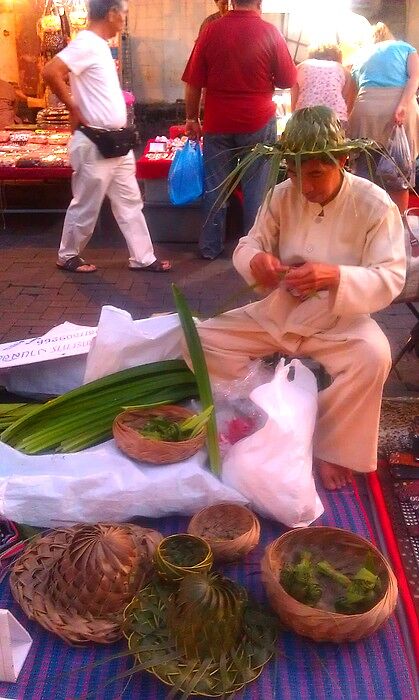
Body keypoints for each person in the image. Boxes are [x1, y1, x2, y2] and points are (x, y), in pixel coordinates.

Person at [186, 107, 406, 490]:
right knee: (199, 340)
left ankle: (332, 447)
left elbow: (391, 276)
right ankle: (266, 408)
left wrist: (335, 275)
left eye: (316, 174)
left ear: (342, 159)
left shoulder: (375, 205)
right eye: (294, 172)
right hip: (279, 310)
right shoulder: (280, 196)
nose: (305, 186)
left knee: (373, 356)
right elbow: (249, 243)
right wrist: (257, 261)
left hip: (339, 319)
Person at [42, 0, 171, 274]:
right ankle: (68, 254)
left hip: (116, 142)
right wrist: (72, 105)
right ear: (111, 13)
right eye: (123, 14)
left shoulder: (98, 45)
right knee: (87, 203)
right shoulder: (86, 43)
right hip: (95, 141)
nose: (124, 20)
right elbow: (50, 71)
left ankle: (143, 257)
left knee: (130, 201)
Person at [182, 0, 296, 260]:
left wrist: (191, 118)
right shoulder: (270, 32)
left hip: (218, 121)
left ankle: (210, 247)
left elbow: (193, 81)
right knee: (257, 187)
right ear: (259, 2)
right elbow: (288, 80)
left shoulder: (211, 30)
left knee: (215, 186)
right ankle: (252, 250)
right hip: (257, 120)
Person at [348, 22, 419, 214]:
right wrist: (403, 104)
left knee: (365, 169)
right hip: (397, 106)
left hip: (365, 108)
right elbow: (415, 78)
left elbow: (352, 92)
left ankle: (366, 224)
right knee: (398, 171)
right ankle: (397, 226)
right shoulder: (405, 48)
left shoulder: (361, 55)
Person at [291, 44, 354, 128]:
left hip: (305, 115)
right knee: (335, 141)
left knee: (305, 141)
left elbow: (294, 97)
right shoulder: (342, 69)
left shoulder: (301, 66)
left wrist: (294, 116)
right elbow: (346, 97)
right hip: (335, 117)